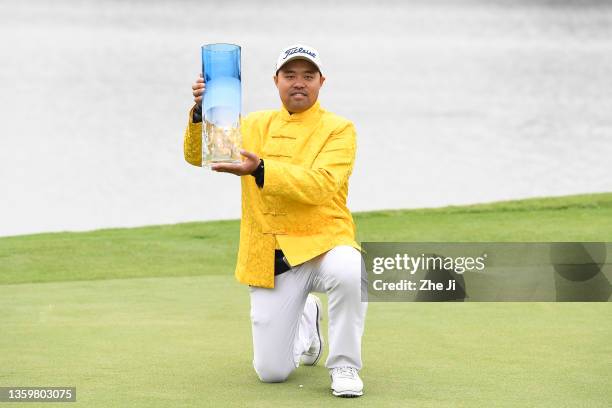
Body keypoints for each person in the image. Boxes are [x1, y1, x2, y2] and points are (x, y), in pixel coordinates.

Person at [183, 44, 367, 398]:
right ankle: (307, 319)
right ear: (276, 81)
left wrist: (262, 169)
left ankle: (344, 364)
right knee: (272, 372)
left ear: (321, 82)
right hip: (273, 257)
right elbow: (198, 157)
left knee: (349, 268)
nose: (299, 83)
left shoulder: (339, 129)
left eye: (308, 76)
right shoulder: (253, 125)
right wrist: (199, 112)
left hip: (324, 246)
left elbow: (320, 185)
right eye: (290, 75)